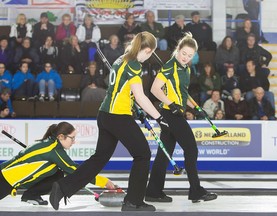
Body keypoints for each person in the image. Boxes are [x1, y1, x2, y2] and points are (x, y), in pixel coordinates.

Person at [49, 31, 169, 212]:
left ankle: (63, 187)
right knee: (142, 154)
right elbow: (141, 97)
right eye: (151, 52)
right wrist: (159, 117)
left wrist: (132, 104)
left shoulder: (121, 59)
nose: (150, 56)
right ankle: (133, 202)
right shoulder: (134, 66)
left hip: (105, 115)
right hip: (118, 116)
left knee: (99, 159)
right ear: (146, 49)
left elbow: (124, 91)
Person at [145, 32, 217, 204]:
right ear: (178, 50)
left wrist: (196, 108)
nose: (185, 57)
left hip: (175, 111)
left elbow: (183, 93)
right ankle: (196, 191)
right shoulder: (170, 66)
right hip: (171, 114)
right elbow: (155, 89)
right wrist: (171, 104)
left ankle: (153, 192)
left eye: (189, 55)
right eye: (183, 53)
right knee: (191, 149)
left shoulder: (186, 68)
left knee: (164, 155)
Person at [0, 122, 116, 205]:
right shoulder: (55, 151)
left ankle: (31, 195)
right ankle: (31, 194)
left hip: (8, 177)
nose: (74, 142)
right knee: (62, 171)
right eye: (72, 138)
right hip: (5, 179)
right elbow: (75, 170)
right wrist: (103, 181)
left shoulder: (50, 144)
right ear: (61, 136)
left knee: (58, 173)